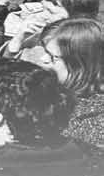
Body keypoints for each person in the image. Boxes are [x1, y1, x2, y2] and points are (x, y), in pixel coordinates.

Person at [33, 17, 104, 149]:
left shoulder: (94, 122)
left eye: (53, 56)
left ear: (81, 64)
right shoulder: (58, 91)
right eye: (45, 52)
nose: (43, 59)